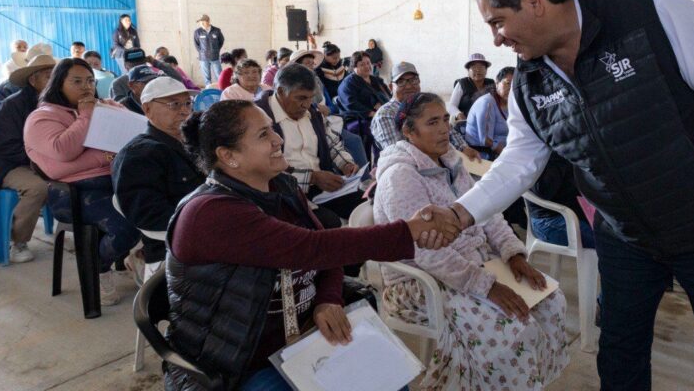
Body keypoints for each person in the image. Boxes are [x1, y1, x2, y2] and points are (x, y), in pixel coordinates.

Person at [440, 0, 694, 389]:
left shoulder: (648, 11)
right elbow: (519, 160)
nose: (496, 39)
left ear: (534, 1)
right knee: (619, 355)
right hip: (624, 237)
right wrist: (458, 214)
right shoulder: (529, 81)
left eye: (497, 21)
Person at [163, 99, 459, 390]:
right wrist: (410, 230)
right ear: (229, 156)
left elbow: (326, 255)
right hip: (240, 363)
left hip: (305, 338)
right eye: (264, 134)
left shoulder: (281, 185)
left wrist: (327, 299)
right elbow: (314, 247)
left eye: (272, 128)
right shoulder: (210, 213)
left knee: (389, 379)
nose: (278, 139)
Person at [373, 93, 569, 390]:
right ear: (409, 132)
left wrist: (513, 254)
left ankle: (533, 383)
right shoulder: (400, 176)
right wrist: (486, 286)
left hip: (472, 264)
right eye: (432, 122)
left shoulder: (451, 161)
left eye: (445, 120)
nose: (444, 129)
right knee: (513, 325)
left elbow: (486, 213)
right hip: (420, 281)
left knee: (551, 302)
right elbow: (427, 254)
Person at [23, 58, 140, 305]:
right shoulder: (41, 118)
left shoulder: (103, 106)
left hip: (115, 181)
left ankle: (140, 257)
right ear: (58, 83)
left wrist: (110, 112)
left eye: (90, 81)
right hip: (73, 193)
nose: (86, 87)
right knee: (125, 226)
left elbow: (134, 133)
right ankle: (98, 268)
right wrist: (89, 121)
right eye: (76, 81)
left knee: (158, 208)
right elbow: (64, 153)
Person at [112, 77, 201, 279]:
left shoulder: (193, 143)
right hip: (177, 247)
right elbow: (148, 215)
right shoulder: (139, 154)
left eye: (187, 103)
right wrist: (207, 221)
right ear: (147, 109)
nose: (184, 111)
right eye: (174, 104)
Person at [256, 64, 362, 220]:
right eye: (301, 98)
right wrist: (312, 177)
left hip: (321, 184)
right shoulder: (259, 119)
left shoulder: (313, 113)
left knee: (365, 202)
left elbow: (332, 143)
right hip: (285, 191)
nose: (306, 105)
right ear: (280, 92)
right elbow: (263, 169)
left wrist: (345, 164)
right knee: (329, 222)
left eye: (311, 97)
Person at [0, 54, 55, 263]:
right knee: (38, 188)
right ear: (33, 80)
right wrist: (41, 160)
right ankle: (16, 241)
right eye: (48, 76)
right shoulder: (13, 105)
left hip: (47, 161)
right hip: (12, 164)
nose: (54, 81)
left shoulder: (57, 102)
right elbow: (6, 147)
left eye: (56, 76)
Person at [371, 61, 480, 161]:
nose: (409, 86)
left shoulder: (426, 105)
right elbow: (397, 154)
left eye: (413, 80)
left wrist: (464, 147)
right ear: (391, 87)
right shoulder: (386, 114)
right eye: (401, 82)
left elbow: (449, 130)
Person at [464, 66, 514, 158]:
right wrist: (511, 156)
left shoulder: (512, 103)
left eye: (515, 85)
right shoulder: (487, 103)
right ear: (497, 83)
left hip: (506, 149)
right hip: (483, 155)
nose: (511, 88)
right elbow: (486, 141)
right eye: (508, 83)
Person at [337, 51, 391, 121]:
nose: (367, 66)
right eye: (362, 65)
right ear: (354, 67)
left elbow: (388, 95)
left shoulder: (376, 80)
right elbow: (352, 105)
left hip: (383, 112)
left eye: (368, 63)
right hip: (362, 119)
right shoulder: (347, 85)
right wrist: (374, 114)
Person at [447, 53, 495, 122]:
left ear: (486, 70)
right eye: (474, 67)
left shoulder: (491, 83)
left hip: (487, 121)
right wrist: (459, 114)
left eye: (481, 67)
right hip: (466, 120)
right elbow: (451, 105)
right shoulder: (462, 83)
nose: (478, 70)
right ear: (468, 71)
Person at [193, 14, 225, 86]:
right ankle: (208, 88)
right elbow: (196, 44)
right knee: (207, 78)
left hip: (215, 57)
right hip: (203, 58)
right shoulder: (197, 32)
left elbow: (221, 41)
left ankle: (221, 88)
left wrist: (216, 50)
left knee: (219, 75)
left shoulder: (216, 30)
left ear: (208, 21)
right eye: (200, 22)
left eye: (203, 22)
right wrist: (202, 52)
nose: (201, 23)